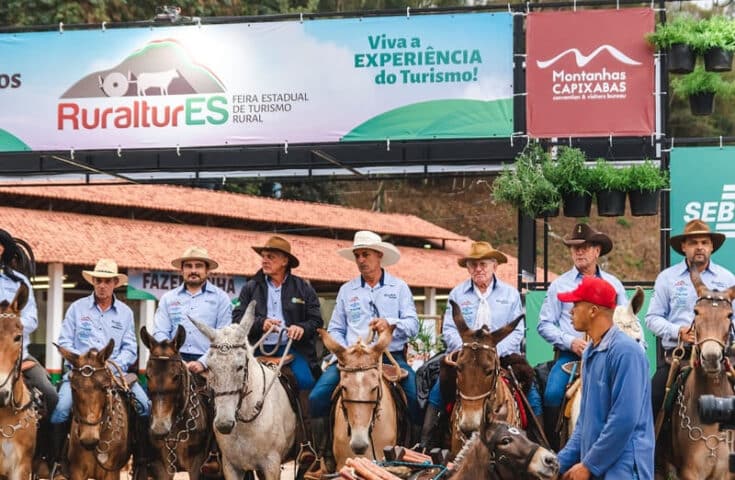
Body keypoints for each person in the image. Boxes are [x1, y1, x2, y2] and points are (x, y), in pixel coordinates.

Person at [308, 231, 419, 467]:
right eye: (357, 255)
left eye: (365, 254)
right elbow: (336, 328)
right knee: (317, 397)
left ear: (379, 256)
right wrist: (344, 348)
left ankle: (414, 454)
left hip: (390, 357)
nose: (360, 260)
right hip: (351, 360)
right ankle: (323, 456)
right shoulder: (347, 291)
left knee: (416, 397)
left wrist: (390, 324)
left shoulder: (399, 288)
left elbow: (413, 324)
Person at [420, 241, 542, 449]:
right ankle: (426, 443)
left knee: (533, 395)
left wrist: (492, 353)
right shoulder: (457, 294)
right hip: (464, 358)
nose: (478, 269)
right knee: (437, 391)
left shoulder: (510, 294)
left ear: (495, 266)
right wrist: (467, 351)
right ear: (468, 268)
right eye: (473, 265)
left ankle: (541, 444)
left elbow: (518, 332)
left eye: (483, 264)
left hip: (502, 357)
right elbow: (449, 328)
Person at [50, 259, 151, 480]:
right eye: (98, 281)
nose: (102, 285)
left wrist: (115, 367)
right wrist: (80, 364)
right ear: (93, 282)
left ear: (115, 283)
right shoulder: (77, 308)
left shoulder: (124, 312)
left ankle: (143, 462)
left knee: (144, 406)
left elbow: (130, 347)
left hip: (112, 373)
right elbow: (65, 341)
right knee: (60, 411)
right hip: (81, 375)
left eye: (107, 281)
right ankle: (58, 463)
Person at [537, 223, 629, 449]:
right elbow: (544, 324)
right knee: (552, 393)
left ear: (597, 251)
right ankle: (553, 448)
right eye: (574, 247)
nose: (578, 252)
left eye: (584, 247)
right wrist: (570, 341)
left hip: (608, 355)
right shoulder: (559, 284)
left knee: (631, 393)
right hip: (571, 356)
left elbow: (626, 321)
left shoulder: (614, 284)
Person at [556, 276, 654, 480]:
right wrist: (558, 464)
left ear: (593, 311)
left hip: (625, 470)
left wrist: (589, 465)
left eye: (575, 304)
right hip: (601, 468)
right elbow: (584, 422)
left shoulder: (627, 352)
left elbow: (624, 419)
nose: (570, 311)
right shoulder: (591, 351)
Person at [153, 246, 232, 475]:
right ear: (182, 270)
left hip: (209, 363)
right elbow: (160, 332)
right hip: (174, 363)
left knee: (222, 405)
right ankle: (146, 456)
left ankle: (215, 454)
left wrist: (203, 362)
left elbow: (223, 335)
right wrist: (172, 357)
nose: (193, 270)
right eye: (189, 266)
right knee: (153, 400)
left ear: (207, 271)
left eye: (198, 266)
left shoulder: (220, 299)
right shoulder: (168, 299)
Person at [646, 219, 735, 422]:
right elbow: (652, 318)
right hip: (678, 359)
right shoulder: (667, 278)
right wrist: (679, 331)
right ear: (683, 247)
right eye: (693, 243)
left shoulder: (728, 279)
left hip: (723, 358)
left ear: (712, 246)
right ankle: (648, 452)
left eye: (704, 242)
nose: (699, 247)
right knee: (653, 398)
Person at [232, 235, 323, 393]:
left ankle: (304, 418)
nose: (264, 261)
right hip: (256, 348)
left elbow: (316, 321)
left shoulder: (303, 287)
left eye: (271, 257)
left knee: (306, 382)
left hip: (294, 349)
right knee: (237, 383)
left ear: (284, 261)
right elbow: (237, 319)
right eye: (263, 257)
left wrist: (301, 328)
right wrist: (261, 323)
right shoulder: (250, 287)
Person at [0, 230, 58, 472]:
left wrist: (12, 320)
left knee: (51, 395)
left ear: (5, 249)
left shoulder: (19, 283)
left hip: (17, 355)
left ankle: (44, 457)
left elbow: (32, 316)